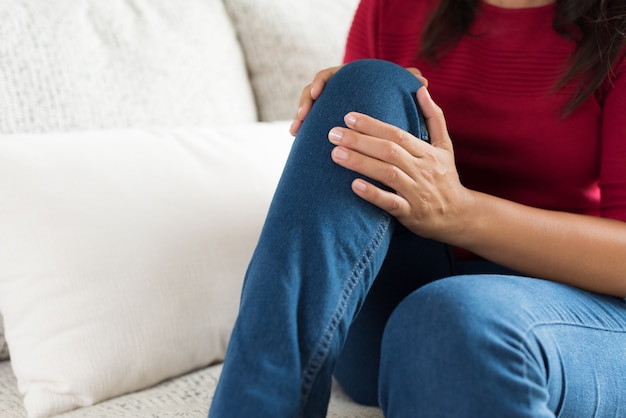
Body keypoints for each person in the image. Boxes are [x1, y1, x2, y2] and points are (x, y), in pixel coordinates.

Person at [209, 0, 626, 416]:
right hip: (395, 312)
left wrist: (461, 213)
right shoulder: (391, 8)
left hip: (571, 310)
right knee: (366, 84)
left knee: (448, 322)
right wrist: (342, 103)